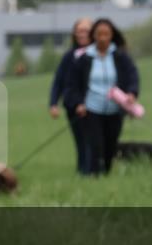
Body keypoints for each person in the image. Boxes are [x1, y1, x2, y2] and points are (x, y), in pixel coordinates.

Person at [63, 18, 140, 176]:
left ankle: (106, 172)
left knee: (111, 145)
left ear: (112, 35)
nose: (103, 38)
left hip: (115, 108)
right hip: (92, 109)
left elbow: (133, 76)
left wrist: (132, 93)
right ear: (94, 36)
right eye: (99, 34)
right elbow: (72, 84)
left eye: (106, 34)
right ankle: (94, 176)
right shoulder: (84, 58)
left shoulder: (120, 56)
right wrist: (78, 103)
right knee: (95, 144)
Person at [48, 18, 93, 173]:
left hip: (92, 106)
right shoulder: (69, 56)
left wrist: (86, 103)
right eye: (79, 30)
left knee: (90, 141)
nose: (83, 34)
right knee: (80, 141)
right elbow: (58, 81)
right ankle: (81, 172)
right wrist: (53, 104)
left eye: (86, 30)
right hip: (72, 106)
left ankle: (89, 173)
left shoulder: (97, 55)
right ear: (74, 33)